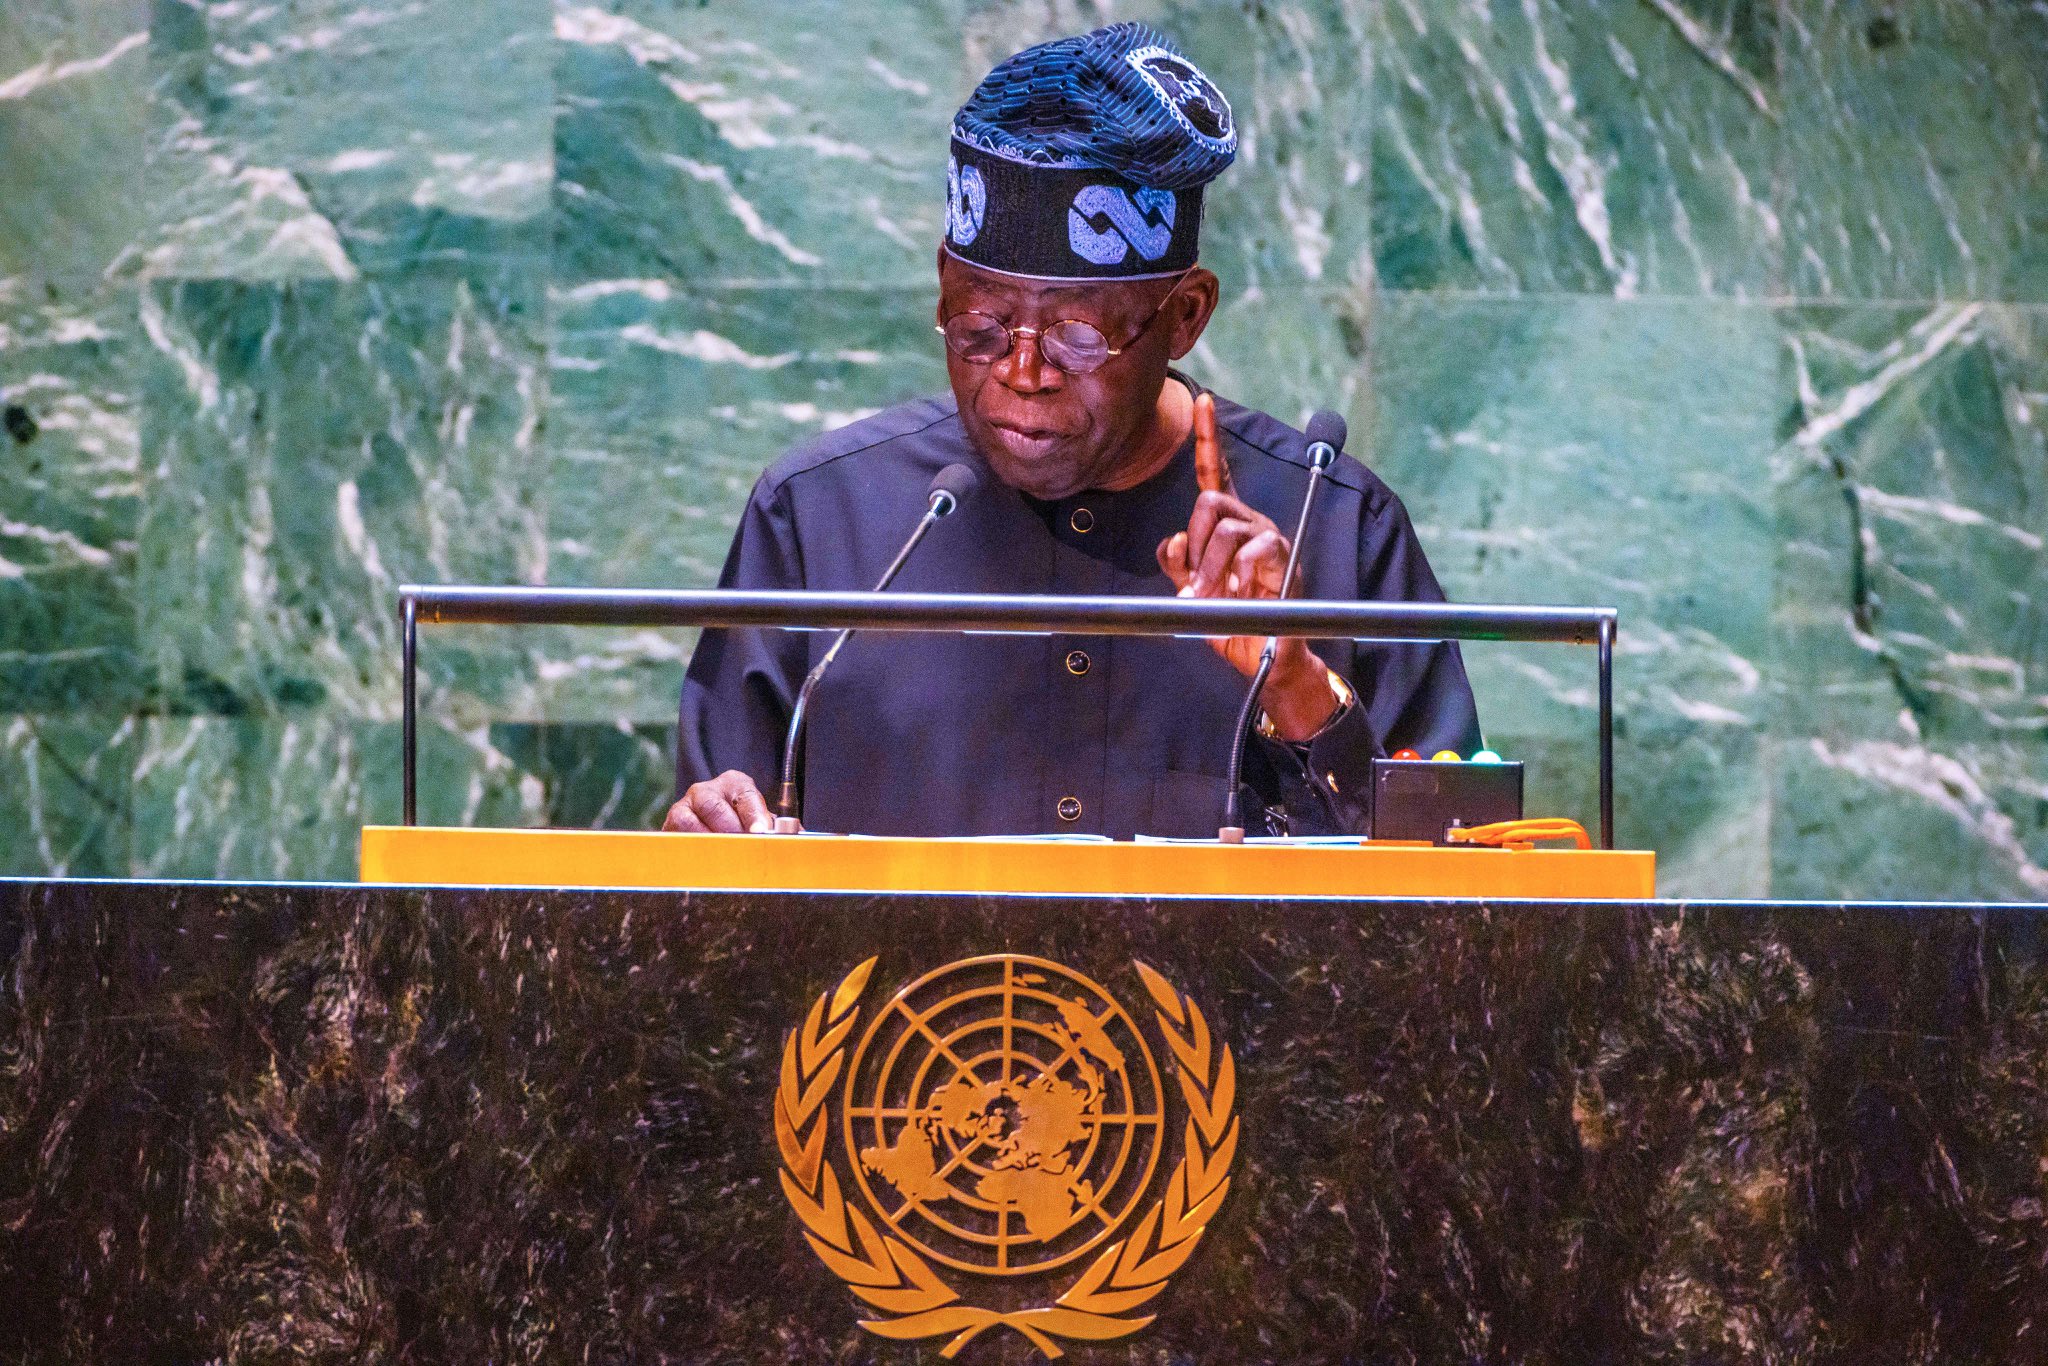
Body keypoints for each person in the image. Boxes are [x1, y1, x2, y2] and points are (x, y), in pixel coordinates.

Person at [666, 23, 1479, 840]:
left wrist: (1298, 689)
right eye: (981, 325)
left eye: (1078, 337)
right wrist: (704, 841)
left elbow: (1464, 902)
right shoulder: (817, 518)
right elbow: (715, 883)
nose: (1022, 372)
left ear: (1185, 315)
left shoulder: (1335, 527)